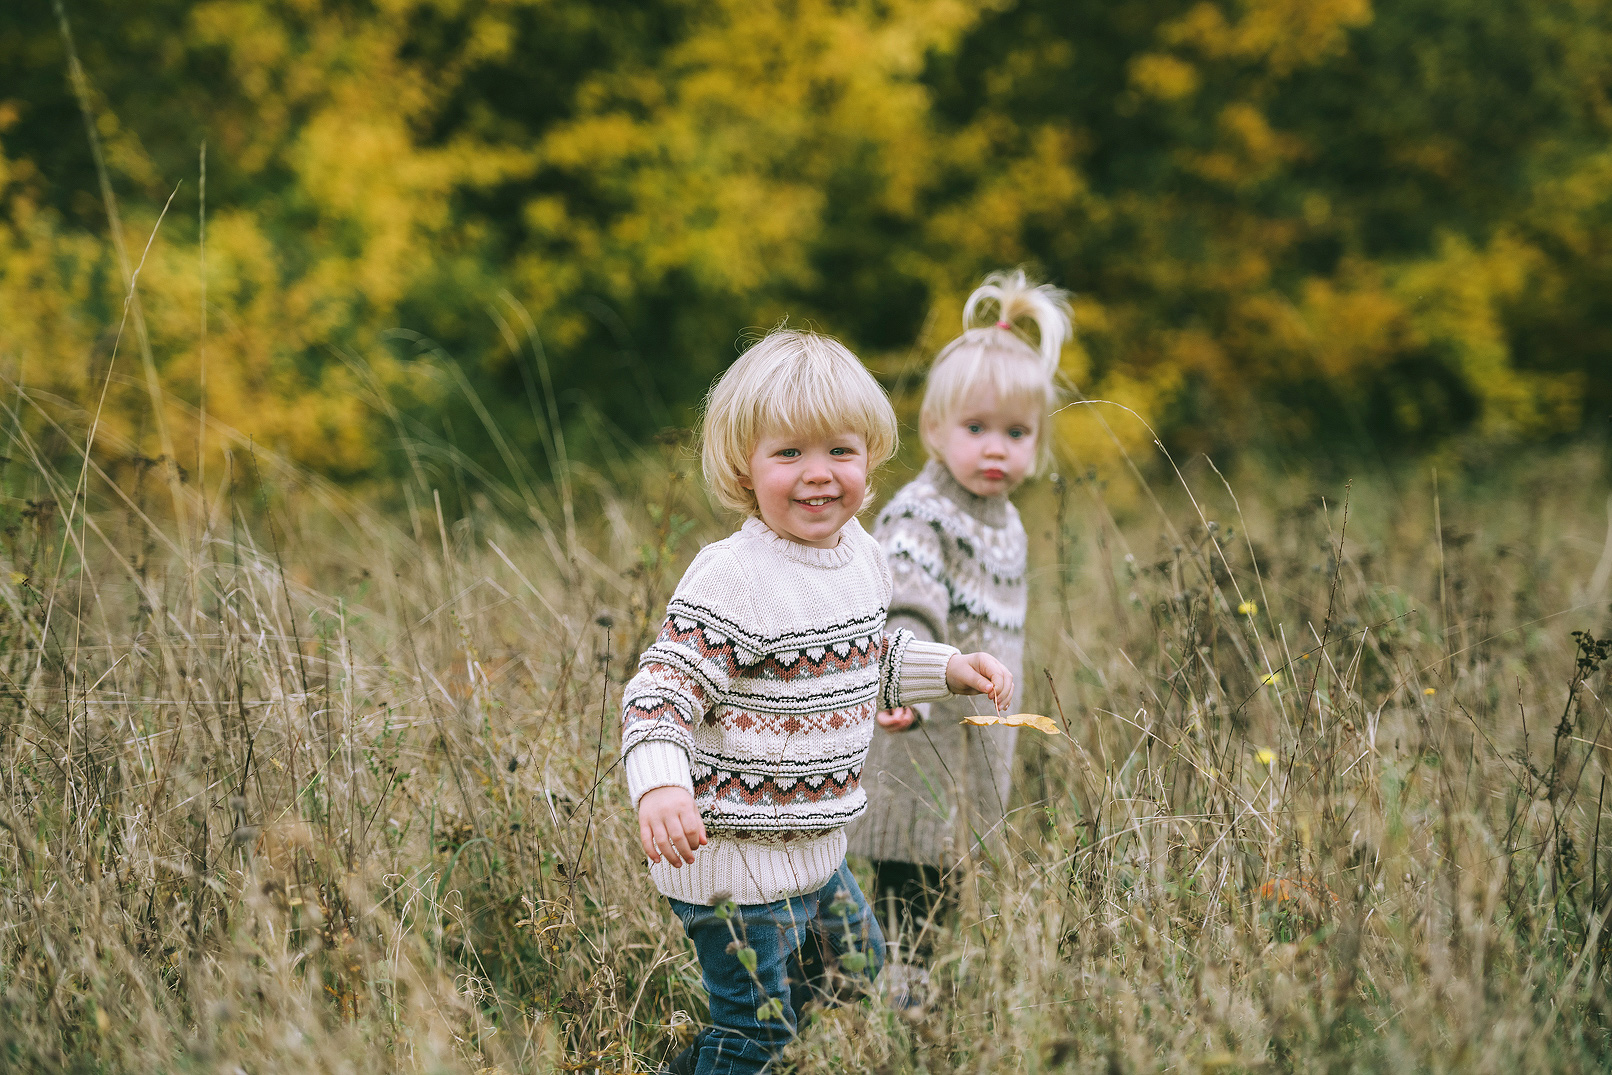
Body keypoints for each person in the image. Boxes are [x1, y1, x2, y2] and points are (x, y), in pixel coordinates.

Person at [620, 328, 1015, 1074]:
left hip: (815, 852)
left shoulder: (862, 553)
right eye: (788, 453)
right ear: (744, 466)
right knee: (757, 1032)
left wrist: (949, 667)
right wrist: (662, 785)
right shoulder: (734, 576)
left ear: (871, 457)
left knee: (857, 970)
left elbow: (866, 659)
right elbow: (659, 693)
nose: (819, 475)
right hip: (734, 864)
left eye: (840, 450)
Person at [846, 269, 1071, 1009]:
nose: (996, 449)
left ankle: (907, 990)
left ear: (1037, 442)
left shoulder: (1007, 521)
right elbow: (906, 606)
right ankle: (885, 1001)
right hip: (916, 731)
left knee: (944, 878)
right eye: (976, 429)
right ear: (936, 431)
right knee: (908, 880)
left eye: (1016, 432)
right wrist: (906, 677)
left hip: (976, 741)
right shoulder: (923, 513)